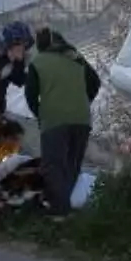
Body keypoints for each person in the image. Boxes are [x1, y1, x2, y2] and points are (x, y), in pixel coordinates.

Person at [25, 27, 101, 217]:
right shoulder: (76, 58)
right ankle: (62, 209)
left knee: (53, 165)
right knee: (71, 165)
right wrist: (83, 102)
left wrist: (40, 114)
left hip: (54, 119)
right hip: (82, 119)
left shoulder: (38, 62)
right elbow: (95, 82)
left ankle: (59, 212)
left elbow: (30, 95)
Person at [0, 21, 32, 127]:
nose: (23, 50)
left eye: (25, 46)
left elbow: (18, 80)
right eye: (21, 46)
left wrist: (32, 75)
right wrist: (8, 65)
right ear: (11, 44)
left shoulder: (18, 57)